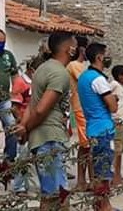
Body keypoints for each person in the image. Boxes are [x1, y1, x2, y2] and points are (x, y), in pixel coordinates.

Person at [11, 32, 77, 210]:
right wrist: (26, 128)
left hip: (42, 138)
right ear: (68, 49)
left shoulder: (43, 69)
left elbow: (32, 106)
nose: (77, 50)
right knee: (57, 196)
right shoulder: (59, 73)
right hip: (50, 138)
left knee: (51, 197)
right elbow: (40, 109)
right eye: (75, 46)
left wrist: (25, 127)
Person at [77, 43, 118, 211]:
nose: (108, 57)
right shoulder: (98, 79)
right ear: (99, 57)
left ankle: (98, 204)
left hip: (92, 128)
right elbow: (113, 107)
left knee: (96, 169)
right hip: (104, 129)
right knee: (104, 171)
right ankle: (105, 205)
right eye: (106, 54)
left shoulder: (84, 77)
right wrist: (114, 99)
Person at [10, 56, 42, 196]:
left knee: (39, 155)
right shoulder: (21, 82)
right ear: (31, 70)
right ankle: (19, 187)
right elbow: (15, 107)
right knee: (23, 155)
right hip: (25, 123)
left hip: (37, 123)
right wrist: (22, 123)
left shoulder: (38, 83)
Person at [67, 36, 91, 192]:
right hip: (80, 108)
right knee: (87, 145)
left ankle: (86, 180)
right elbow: (87, 82)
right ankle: (83, 180)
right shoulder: (74, 65)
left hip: (88, 109)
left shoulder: (85, 66)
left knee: (88, 145)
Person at [0, 29, 19, 170]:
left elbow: (15, 76)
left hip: (5, 100)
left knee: (12, 128)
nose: (1, 44)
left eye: (3, 42)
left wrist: (16, 95)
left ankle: (9, 160)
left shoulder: (8, 56)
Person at [109, 65, 123, 184]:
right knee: (116, 150)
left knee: (120, 150)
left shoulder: (121, 87)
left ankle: (118, 174)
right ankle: (114, 176)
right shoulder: (113, 85)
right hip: (118, 122)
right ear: (120, 76)